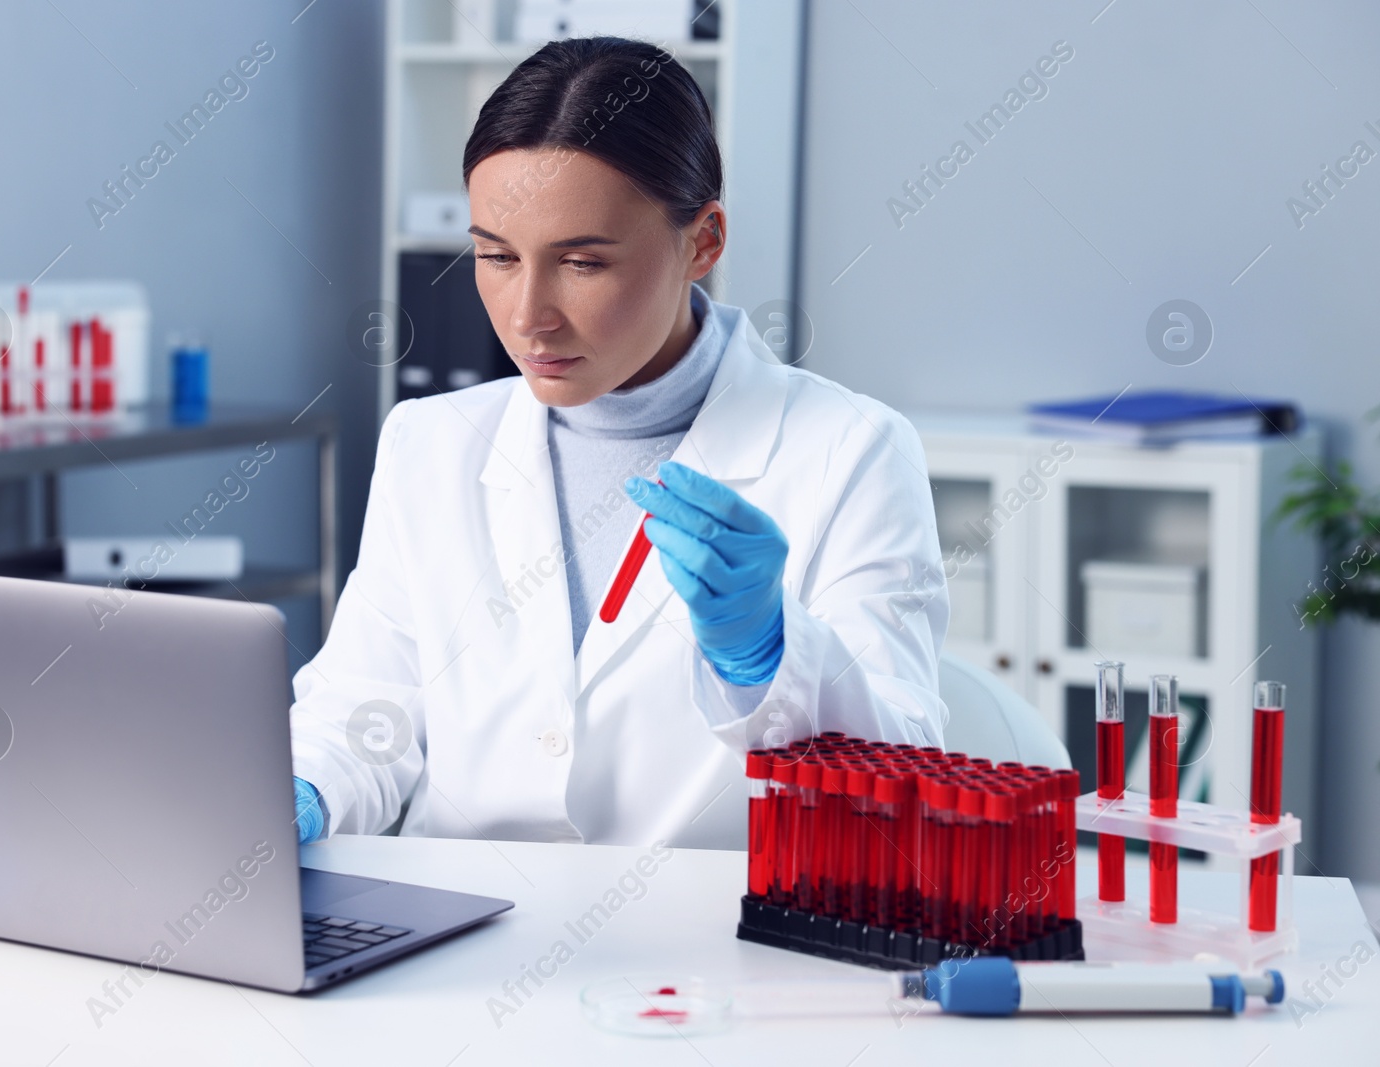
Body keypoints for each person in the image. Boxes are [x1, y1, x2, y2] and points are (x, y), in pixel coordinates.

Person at [289, 36, 948, 850]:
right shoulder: (431, 442)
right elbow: (365, 708)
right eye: (495, 256)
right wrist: (305, 787)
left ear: (703, 241)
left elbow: (909, 784)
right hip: (458, 934)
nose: (529, 314)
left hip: (711, 951)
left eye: (582, 263)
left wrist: (773, 653)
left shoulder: (853, 452)